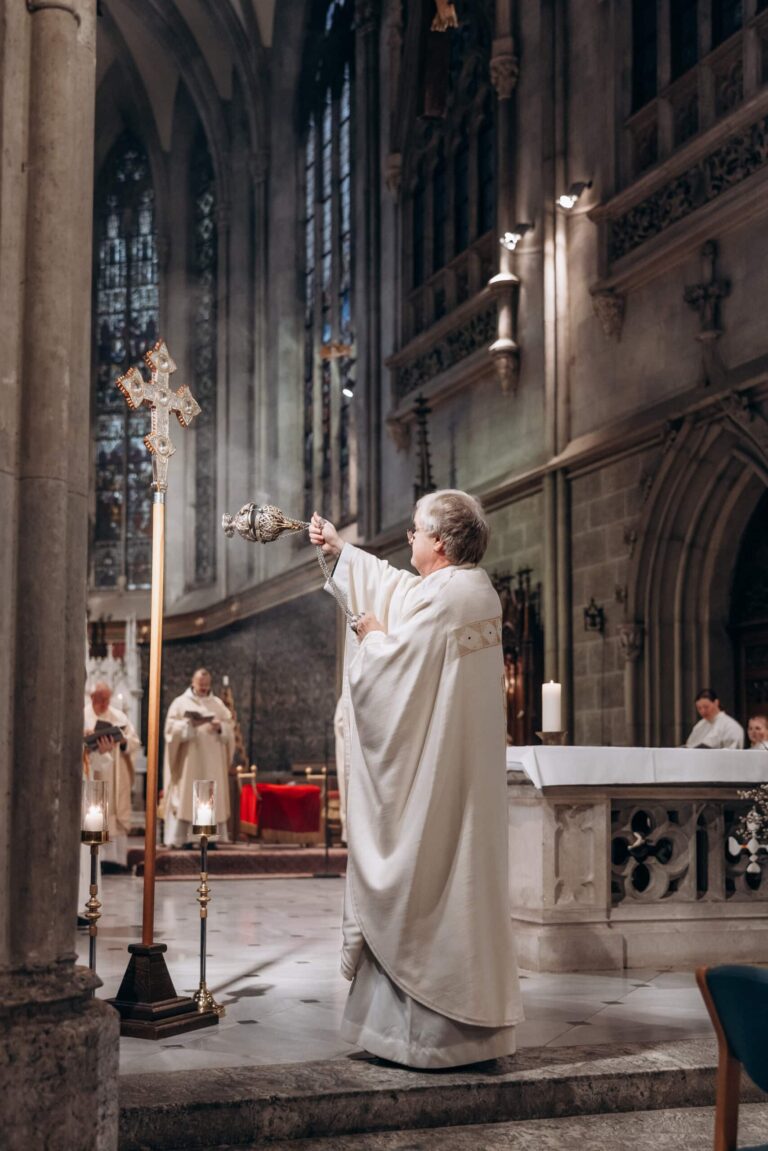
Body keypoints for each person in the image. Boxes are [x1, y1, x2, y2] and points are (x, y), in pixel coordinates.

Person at [309, 489, 523, 1069]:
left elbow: (392, 676)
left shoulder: (450, 595)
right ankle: (450, 1032)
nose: (407, 539)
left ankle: (427, 1039)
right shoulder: (465, 589)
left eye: (414, 530)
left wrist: (372, 637)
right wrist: (342, 550)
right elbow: (405, 591)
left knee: (426, 882)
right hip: (454, 774)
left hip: (434, 780)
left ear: (441, 542)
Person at [163, 668, 234, 848]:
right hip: (189, 760)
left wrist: (220, 728)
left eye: (206, 685)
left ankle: (208, 839)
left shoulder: (217, 704)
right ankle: (185, 839)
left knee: (209, 794)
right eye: (200, 685)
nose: (203, 688)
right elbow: (170, 731)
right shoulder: (180, 703)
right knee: (188, 796)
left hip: (212, 761)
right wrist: (188, 726)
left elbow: (230, 729)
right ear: (192, 682)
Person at [83, 682, 141, 867]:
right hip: (92, 770)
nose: (104, 703)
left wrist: (122, 741)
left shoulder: (119, 716)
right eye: (100, 699)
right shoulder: (83, 715)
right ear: (91, 697)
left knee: (113, 811)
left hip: (116, 772)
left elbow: (133, 741)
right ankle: (94, 859)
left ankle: (114, 859)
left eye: (107, 699)